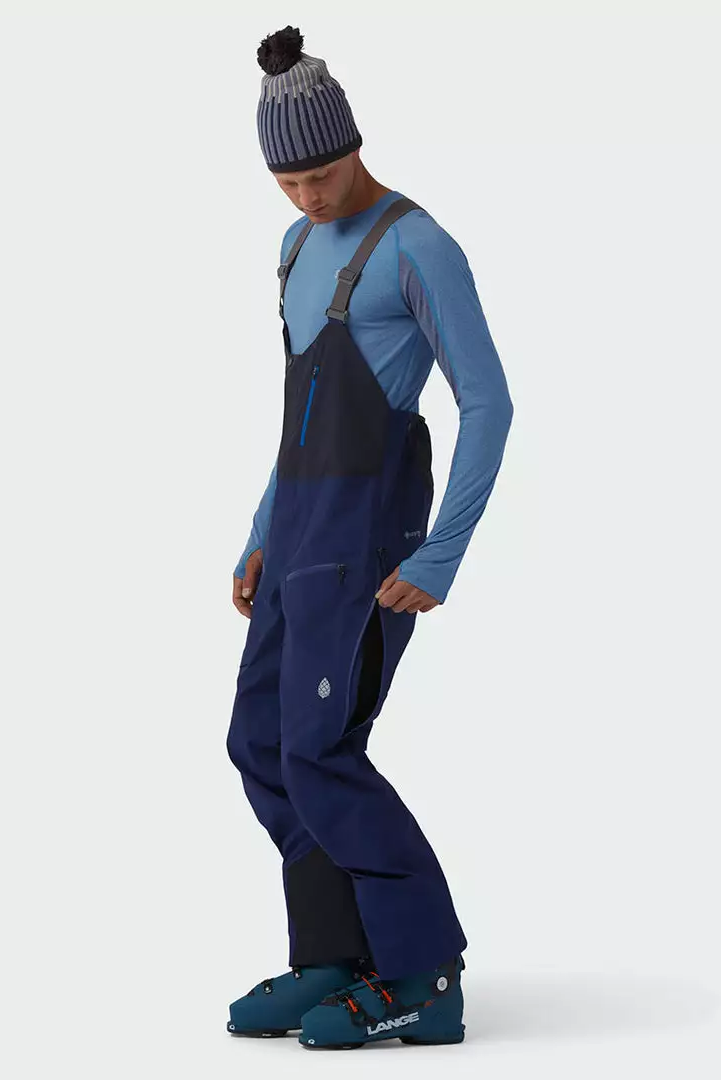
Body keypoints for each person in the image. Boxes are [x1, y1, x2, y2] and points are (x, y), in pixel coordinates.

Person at [225, 25, 513, 1051]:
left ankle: (423, 975)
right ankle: (335, 955)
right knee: (260, 743)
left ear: (355, 144)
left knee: (320, 749)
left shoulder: (416, 246)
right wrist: (260, 532)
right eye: (287, 179)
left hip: (366, 537)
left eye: (322, 172)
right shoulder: (295, 248)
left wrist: (439, 554)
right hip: (299, 530)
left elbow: (488, 404)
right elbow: (298, 418)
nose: (308, 195)